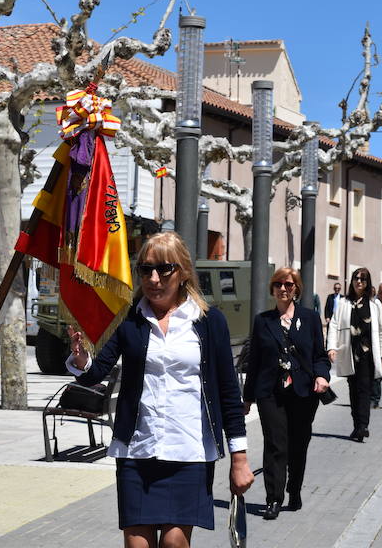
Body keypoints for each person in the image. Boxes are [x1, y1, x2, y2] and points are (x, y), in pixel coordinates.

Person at [67, 232, 254, 547]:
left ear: (182, 272)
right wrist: (81, 359)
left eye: (163, 269)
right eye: (145, 270)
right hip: (137, 448)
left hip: (190, 450)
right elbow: (96, 372)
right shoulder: (131, 320)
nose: (153, 279)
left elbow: (227, 393)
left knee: (174, 542)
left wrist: (239, 458)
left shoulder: (209, 322)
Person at [243, 267, 330, 520]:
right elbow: (255, 362)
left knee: (298, 445)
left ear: (296, 289)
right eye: (279, 284)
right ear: (272, 288)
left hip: (303, 392)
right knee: (275, 445)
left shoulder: (310, 318)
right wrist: (247, 398)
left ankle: (294, 489)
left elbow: (319, 356)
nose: (284, 288)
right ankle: (273, 498)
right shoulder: (263, 321)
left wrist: (322, 375)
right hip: (270, 392)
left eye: (289, 285)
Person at [326, 267, 382, 442]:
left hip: (368, 354)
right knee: (353, 390)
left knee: (365, 390)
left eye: (362, 279)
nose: (358, 282)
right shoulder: (344, 303)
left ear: (367, 283)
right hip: (349, 353)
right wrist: (331, 347)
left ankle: (363, 426)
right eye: (356, 278)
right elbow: (334, 326)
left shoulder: (375, 305)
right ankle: (357, 425)